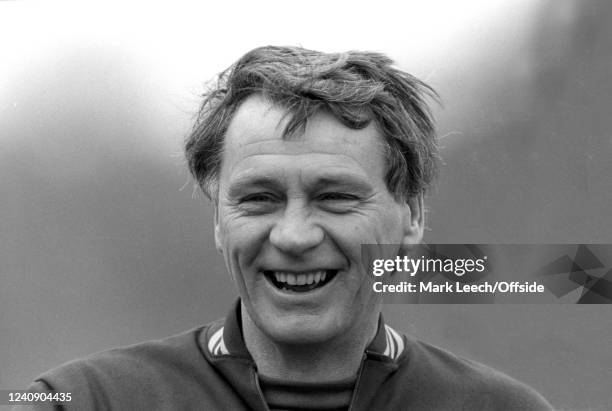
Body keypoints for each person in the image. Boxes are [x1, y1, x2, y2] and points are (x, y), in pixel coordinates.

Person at [21, 46, 552, 410]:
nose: (294, 236)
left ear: (412, 215)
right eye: (259, 200)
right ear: (218, 220)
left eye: (336, 198)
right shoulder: (80, 400)